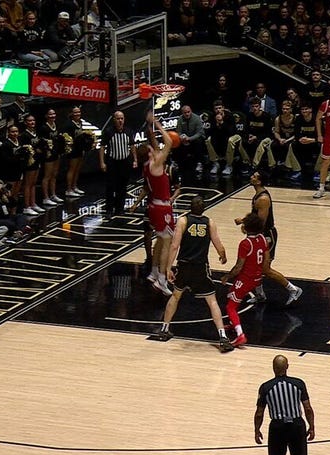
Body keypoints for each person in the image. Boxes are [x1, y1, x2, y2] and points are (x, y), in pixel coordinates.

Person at [151, 196, 233, 352]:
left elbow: (174, 246)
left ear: (190, 207)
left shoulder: (183, 221)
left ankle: (164, 329)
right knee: (212, 301)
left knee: (175, 296)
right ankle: (223, 337)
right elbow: (218, 243)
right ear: (204, 208)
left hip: (184, 266)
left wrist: (168, 268)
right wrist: (223, 255)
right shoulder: (209, 223)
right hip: (200, 267)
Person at [235, 170, 303, 306]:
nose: (251, 177)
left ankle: (294, 289)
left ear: (259, 181)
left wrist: (246, 227)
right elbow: (255, 215)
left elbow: (261, 222)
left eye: (254, 176)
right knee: (253, 266)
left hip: (266, 236)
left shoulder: (263, 199)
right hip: (258, 234)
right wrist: (244, 221)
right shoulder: (258, 195)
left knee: (265, 269)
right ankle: (260, 295)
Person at [220, 213, 270, 348]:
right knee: (231, 293)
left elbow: (238, 267)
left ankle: (240, 334)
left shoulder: (245, 244)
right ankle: (233, 323)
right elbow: (266, 261)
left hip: (246, 278)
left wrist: (227, 277)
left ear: (246, 228)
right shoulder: (262, 239)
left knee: (230, 306)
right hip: (257, 277)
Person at [254, 354, 316, 455]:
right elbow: (308, 408)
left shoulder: (265, 387)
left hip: (277, 427)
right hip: (296, 425)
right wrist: (311, 427)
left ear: (273, 367)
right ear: (287, 366)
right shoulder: (299, 384)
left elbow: (259, 413)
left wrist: (257, 430)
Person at [144, 112, 176, 296]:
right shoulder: (155, 165)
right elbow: (169, 143)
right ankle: (162, 280)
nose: (155, 148)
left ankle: (154, 272)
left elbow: (156, 144)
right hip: (162, 208)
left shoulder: (148, 166)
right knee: (167, 243)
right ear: (150, 154)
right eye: (151, 149)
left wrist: (149, 128)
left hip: (154, 206)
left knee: (160, 239)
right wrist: (157, 123)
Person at [98, 111, 137, 219]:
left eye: (122, 118)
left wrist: (135, 160)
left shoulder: (128, 131)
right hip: (112, 162)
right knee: (110, 187)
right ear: (114, 120)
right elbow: (102, 147)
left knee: (122, 187)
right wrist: (102, 162)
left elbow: (132, 146)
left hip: (125, 162)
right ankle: (109, 210)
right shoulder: (108, 132)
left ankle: (120, 209)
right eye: (118, 118)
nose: (120, 121)